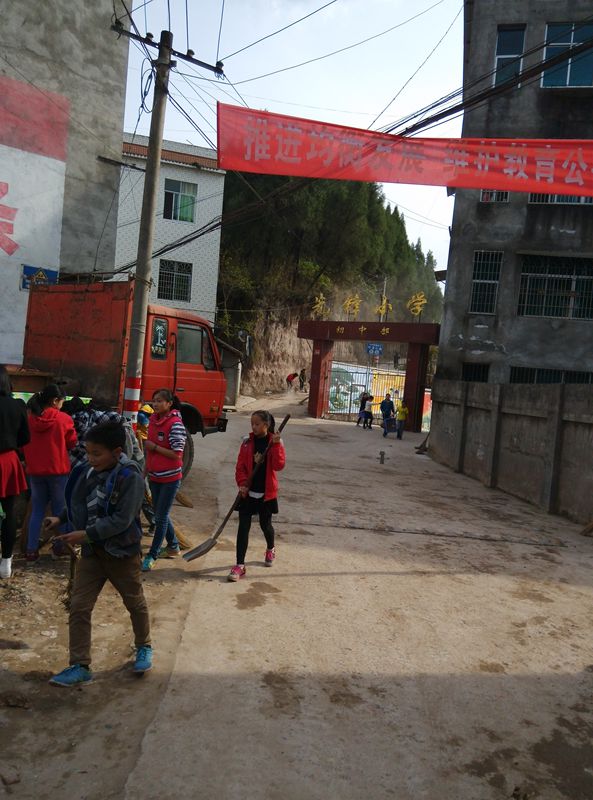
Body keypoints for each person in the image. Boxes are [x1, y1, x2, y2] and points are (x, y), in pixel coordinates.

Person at [44, 422, 152, 686]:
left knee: (134, 602)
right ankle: (80, 665)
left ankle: (144, 646)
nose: (91, 459)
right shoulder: (87, 472)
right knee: (79, 607)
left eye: (97, 453)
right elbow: (79, 502)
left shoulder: (130, 478)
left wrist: (86, 534)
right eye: (88, 452)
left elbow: (122, 520)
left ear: (116, 452)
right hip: (93, 553)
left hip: (121, 553)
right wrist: (60, 519)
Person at [228, 410, 286, 582]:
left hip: (266, 493)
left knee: (265, 525)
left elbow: (278, 466)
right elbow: (240, 467)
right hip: (248, 493)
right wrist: (242, 483)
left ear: (266, 425)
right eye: (252, 423)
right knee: (243, 527)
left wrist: (276, 446)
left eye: (257, 424)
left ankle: (270, 548)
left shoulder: (274, 442)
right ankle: (240, 565)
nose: (253, 427)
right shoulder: (247, 443)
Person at [23, 384, 77, 563]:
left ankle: (31, 551)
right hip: (58, 471)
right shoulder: (64, 419)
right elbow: (72, 442)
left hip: (35, 471)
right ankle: (59, 548)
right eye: (62, 401)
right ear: (55, 401)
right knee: (60, 511)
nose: (62, 404)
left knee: (37, 510)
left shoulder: (30, 420)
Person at [141, 389, 186, 571]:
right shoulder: (153, 421)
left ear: (169, 403)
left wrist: (155, 447)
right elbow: (149, 452)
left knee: (159, 517)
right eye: (154, 400)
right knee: (161, 514)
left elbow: (177, 455)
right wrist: (144, 472)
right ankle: (173, 546)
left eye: (160, 401)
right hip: (154, 477)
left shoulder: (175, 424)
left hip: (170, 479)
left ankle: (152, 554)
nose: (156, 404)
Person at [0, 366, 30, 579]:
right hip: (8, 460)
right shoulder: (17, 405)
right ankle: (6, 562)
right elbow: (25, 438)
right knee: (9, 512)